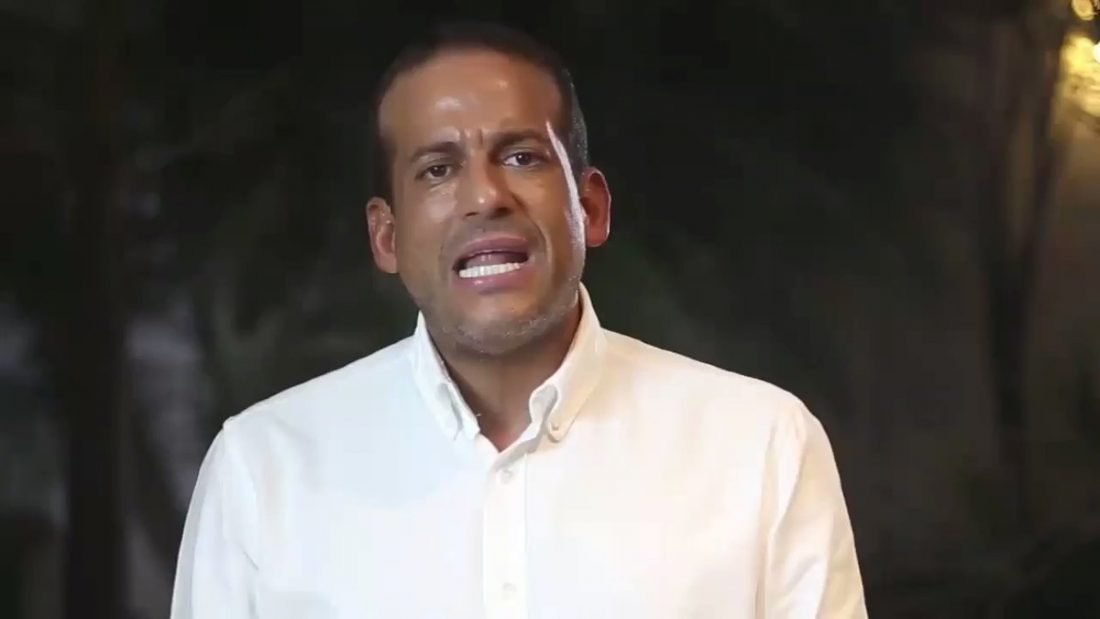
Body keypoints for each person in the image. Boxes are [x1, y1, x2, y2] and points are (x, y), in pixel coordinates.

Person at [171, 21, 867, 619]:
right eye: (438, 169)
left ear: (590, 208)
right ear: (387, 237)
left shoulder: (762, 446)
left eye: (522, 156)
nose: (485, 195)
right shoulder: (261, 470)